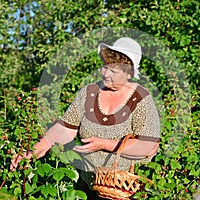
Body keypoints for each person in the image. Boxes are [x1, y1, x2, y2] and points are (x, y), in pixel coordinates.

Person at [10, 37, 160, 199]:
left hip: (125, 190)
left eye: (114, 71)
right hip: (89, 186)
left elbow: (148, 146)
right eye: (105, 67)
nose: (106, 74)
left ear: (129, 73)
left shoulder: (141, 99)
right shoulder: (89, 93)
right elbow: (65, 128)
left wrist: (103, 144)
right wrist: (34, 152)